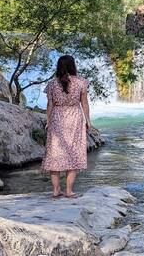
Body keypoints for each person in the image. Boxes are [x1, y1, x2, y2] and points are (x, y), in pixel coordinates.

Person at [42, 55, 92, 198]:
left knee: (55, 154)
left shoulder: (51, 84)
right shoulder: (81, 83)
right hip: (74, 119)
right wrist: (88, 120)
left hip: (57, 119)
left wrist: (48, 121)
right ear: (73, 66)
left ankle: (56, 190)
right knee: (73, 153)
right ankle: (69, 191)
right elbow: (84, 104)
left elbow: (50, 105)